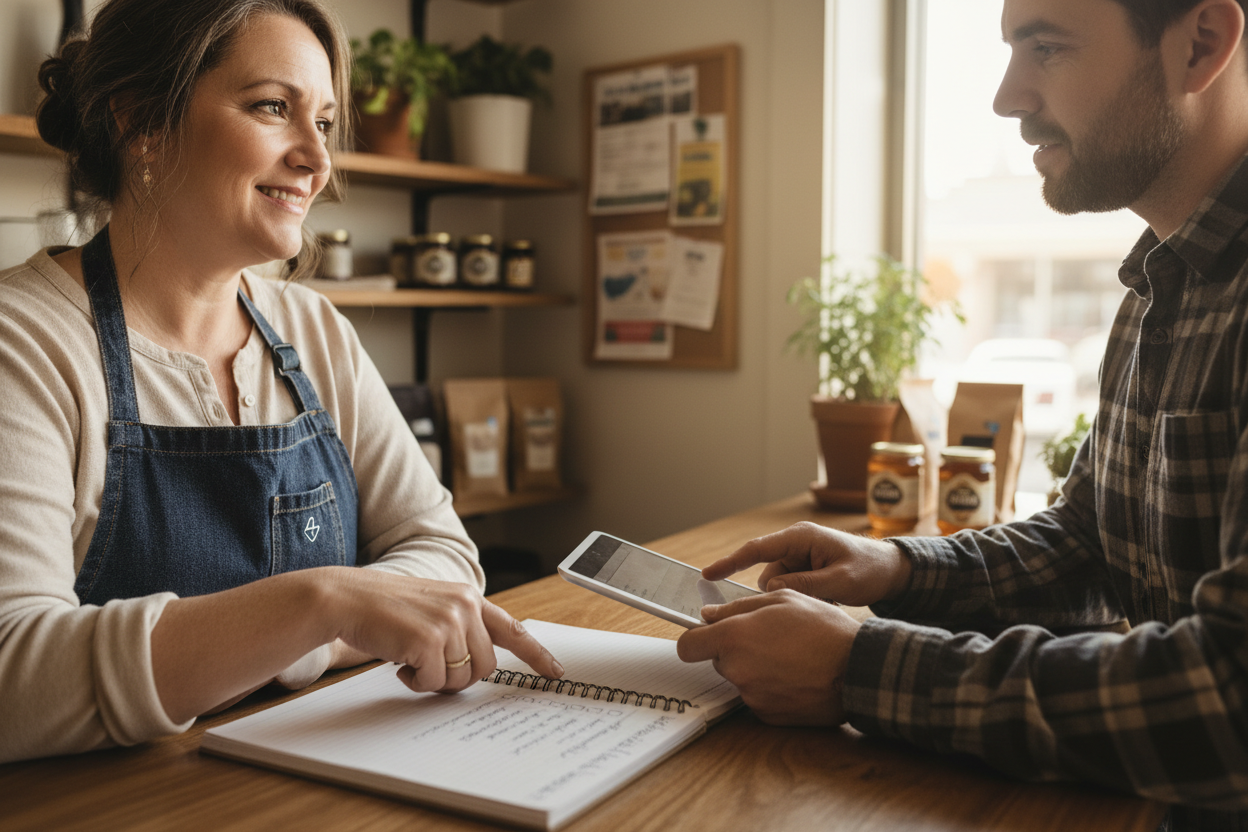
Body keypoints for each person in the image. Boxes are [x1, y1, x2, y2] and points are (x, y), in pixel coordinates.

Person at [677, 1, 1248, 830]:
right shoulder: (1162, 284)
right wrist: (896, 572)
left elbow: (1230, 699)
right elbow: (1091, 542)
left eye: (1045, 48)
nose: (1007, 97)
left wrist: (857, 667)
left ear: (1200, 46)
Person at [0, 0, 561, 764]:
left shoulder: (314, 329)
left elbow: (440, 552)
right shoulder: (24, 342)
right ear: (138, 122)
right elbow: (13, 676)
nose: (316, 159)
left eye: (324, 123)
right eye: (273, 107)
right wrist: (322, 604)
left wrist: (298, 636)